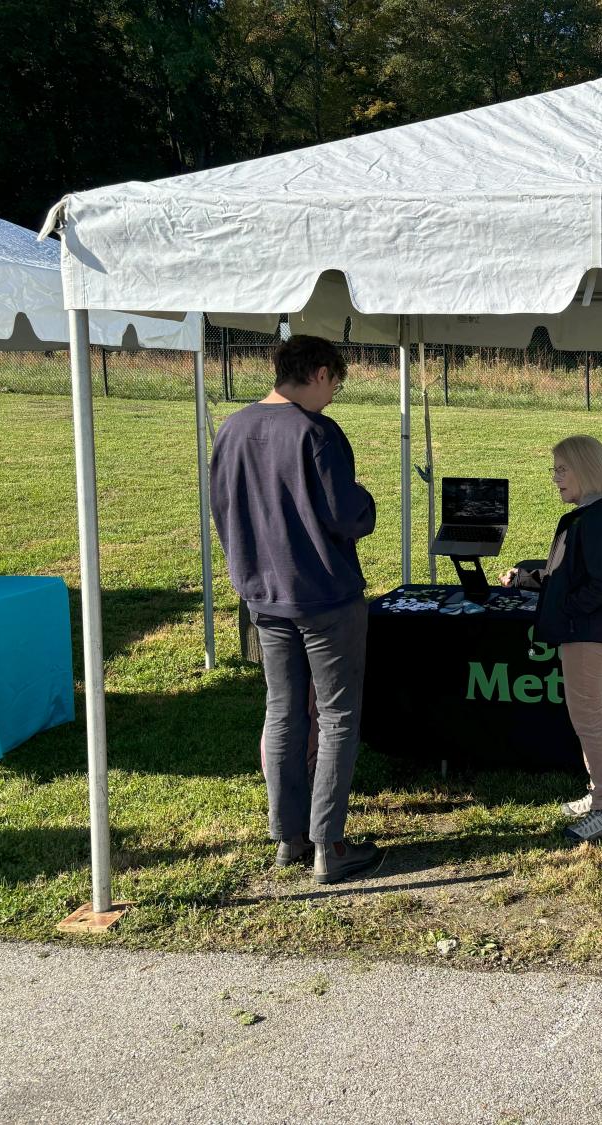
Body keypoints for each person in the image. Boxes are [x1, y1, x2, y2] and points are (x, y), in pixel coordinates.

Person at [211, 334, 381, 885]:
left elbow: (222, 508)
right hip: (326, 596)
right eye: (337, 382)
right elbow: (347, 514)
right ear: (322, 373)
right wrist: (366, 500)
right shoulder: (318, 433)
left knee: (283, 711)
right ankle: (328, 844)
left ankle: (288, 836)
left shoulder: (232, 428)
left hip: (264, 595)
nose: (335, 394)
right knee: (335, 716)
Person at [502, 435, 602, 844]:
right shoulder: (583, 516)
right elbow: (563, 576)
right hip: (579, 632)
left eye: (562, 469)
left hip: (588, 635)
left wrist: (564, 610)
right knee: (584, 719)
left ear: (586, 469)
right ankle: (599, 795)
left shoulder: (601, 519)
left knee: (590, 720)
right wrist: (525, 579)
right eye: (554, 469)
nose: (555, 478)